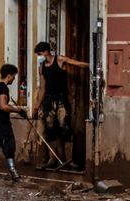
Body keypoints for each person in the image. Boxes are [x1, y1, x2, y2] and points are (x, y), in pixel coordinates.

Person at [32, 41, 88, 170]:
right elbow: (42, 88)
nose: (40, 56)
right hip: (48, 102)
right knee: (51, 130)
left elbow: (76, 63)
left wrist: (93, 64)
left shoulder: (60, 60)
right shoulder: (42, 67)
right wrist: (36, 106)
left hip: (61, 100)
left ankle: (69, 159)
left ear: (46, 51)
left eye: (40, 53)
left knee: (65, 128)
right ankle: (55, 158)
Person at [0, 64, 28, 182]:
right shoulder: (3, 88)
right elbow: (3, 106)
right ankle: (14, 173)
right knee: (9, 146)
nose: (14, 79)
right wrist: (18, 110)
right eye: (13, 76)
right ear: (9, 76)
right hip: (2, 123)